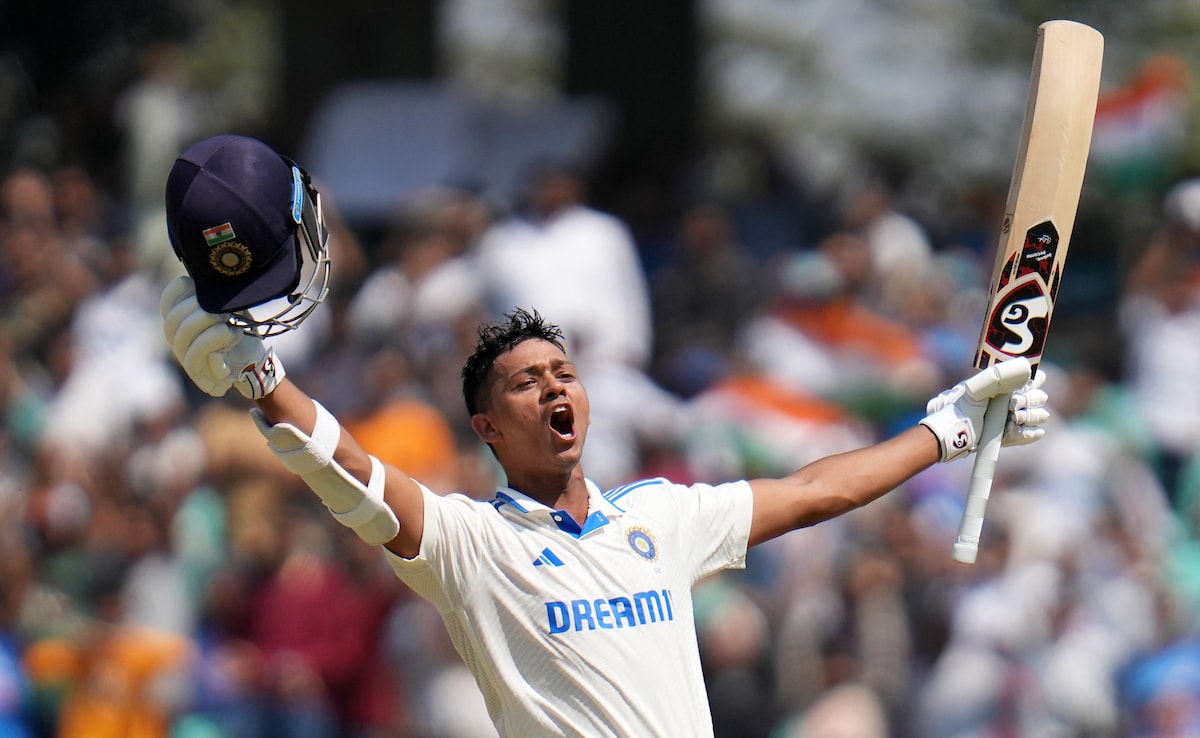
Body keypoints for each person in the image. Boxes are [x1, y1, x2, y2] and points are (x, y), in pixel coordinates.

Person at [159, 134, 1050, 737]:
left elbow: (818, 489)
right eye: (526, 382)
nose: (554, 386)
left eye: (564, 374)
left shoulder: (660, 517)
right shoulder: (473, 544)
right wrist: (265, 386)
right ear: (487, 428)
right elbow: (353, 476)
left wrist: (949, 430)